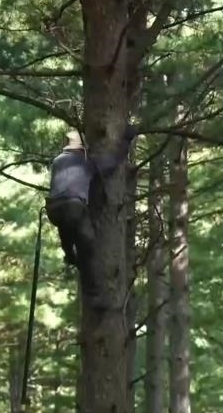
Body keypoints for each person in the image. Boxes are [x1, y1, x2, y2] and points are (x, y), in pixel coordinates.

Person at [45, 125, 136, 308]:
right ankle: (93, 293)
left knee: (67, 227)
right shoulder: (86, 162)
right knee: (87, 246)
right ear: (82, 149)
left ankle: (69, 254)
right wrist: (126, 140)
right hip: (73, 208)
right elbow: (112, 163)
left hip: (53, 209)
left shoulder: (57, 161)